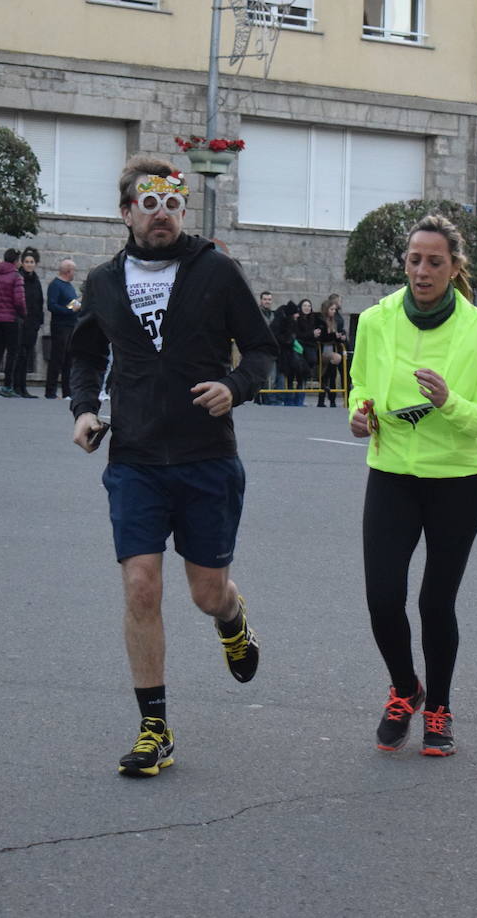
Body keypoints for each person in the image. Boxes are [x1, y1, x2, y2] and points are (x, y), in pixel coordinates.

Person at [67, 154, 275, 778]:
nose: (162, 215)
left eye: (172, 205)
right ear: (126, 210)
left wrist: (234, 387)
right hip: (134, 457)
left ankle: (233, 618)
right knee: (140, 585)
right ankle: (154, 726)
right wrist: (83, 410)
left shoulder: (215, 270)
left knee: (206, 591)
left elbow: (261, 349)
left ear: (183, 210)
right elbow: (83, 357)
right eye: (149, 204)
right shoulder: (102, 283)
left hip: (206, 457)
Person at [348, 213, 477, 757]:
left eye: (435, 261)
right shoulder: (376, 320)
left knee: (436, 602)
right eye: (415, 260)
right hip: (391, 472)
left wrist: (447, 402)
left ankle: (438, 706)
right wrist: (358, 413)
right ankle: (403, 686)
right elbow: (361, 383)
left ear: (454, 267)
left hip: (457, 478)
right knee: (382, 596)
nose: (422, 270)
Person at [0, 248, 26, 397]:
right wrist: (23, 314)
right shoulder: (16, 276)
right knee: (12, 353)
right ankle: (7, 385)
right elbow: (19, 300)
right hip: (11, 319)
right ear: (16, 261)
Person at [45, 258, 78, 399]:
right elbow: (52, 306)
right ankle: (50, 391)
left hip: (71, 325)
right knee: (57, 358)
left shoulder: (69, 286)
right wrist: (70, 310)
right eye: (73, 270)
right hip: (60, 326)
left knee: (68, 359)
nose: (74, 273)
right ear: (68, 271)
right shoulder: (56, 285)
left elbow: (69, 303)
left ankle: (67, 391)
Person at [12, 247, 43, 399]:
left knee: (27, 355)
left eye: (32, 262)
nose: (29, 264)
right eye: (26, 262)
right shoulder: (19, 278)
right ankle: (16, 386)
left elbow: (39, 301)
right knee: (19, 354)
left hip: (32, 324)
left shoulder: (36, 280)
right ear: (22, 263)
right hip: (20, 323)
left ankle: (23, 387)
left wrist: (38, 321)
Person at [316, 294, 347, 408]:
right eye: (332, 309)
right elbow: (323, 337)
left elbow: (339, 332)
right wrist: (335, 335)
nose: (334, 311)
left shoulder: (335, 321)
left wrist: (340, 336)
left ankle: (331, 399)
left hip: (332, 349)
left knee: (332, 374)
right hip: (324, 349)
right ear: (326, 310)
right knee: (336, 359)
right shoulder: (320, 321)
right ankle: (322, 397)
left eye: (334, 309)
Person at [294, 297, 319, 405]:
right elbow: (298, 334)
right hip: (300, 349)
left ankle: (300, 399)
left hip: (310, 348)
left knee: (303, 377)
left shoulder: (313, 319)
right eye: (305, 305)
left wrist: (316, 334)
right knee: (299, 374)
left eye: (309, 306)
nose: (307, 308)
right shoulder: (297, 319)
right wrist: (311, 334)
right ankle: (295, 399)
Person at [257, 290, 278, 405]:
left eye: (269, 299)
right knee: (261, 373)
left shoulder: (273, 314)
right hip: (259, 347)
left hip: (271, 347)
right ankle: (259, 397)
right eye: (265, 299)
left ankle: (269, 398)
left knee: (271, 374)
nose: (267, 302)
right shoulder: (256, 313)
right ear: (261, 300)